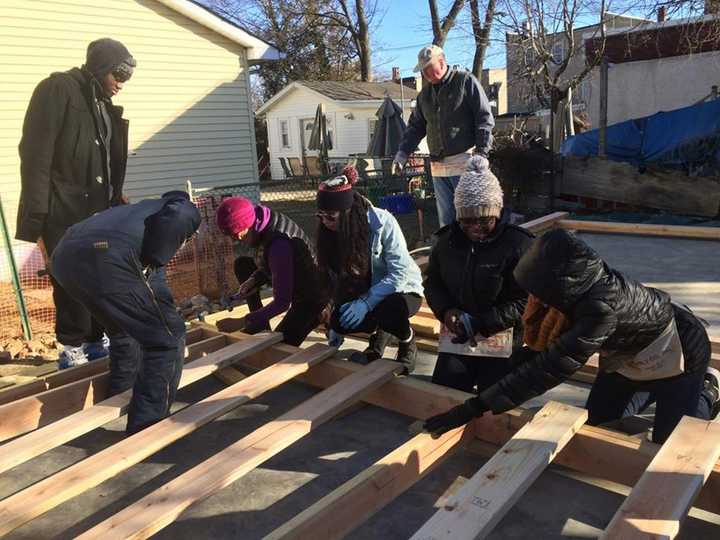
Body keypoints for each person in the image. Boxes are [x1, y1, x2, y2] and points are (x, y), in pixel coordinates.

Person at [423, 229, 720, 444]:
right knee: (600, 422)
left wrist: (471, 408)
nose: (534, 299)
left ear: (556, 285)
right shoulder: (579, 287)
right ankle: (656, 392)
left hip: (680, 349)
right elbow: (547, 351)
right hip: (627, 355)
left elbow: (550, 368)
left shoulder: (599, 310)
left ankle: (706, 390)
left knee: (670, 442)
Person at [16, 38, 137, 368]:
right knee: (69, 279)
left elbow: (102, 159)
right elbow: (35, 156)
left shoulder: (101, 104)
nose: (122, 84)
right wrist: (37, 220)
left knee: (99, 277)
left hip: (96, 210)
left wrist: (115, 193)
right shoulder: (57, 91)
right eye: (119, 76)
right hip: (61, 210)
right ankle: (71, 348)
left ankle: (96, 341)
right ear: (100, 68)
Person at [50, 191, 200, 435]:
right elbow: (158, 253)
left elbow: (153, 283)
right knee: (168, 339)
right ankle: (148, 425)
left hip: (64, 257)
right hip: (107, 255)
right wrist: (166, 318)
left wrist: (161, 307)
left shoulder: (139, 214)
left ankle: (120, 397)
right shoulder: (183, 207)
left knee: (123, 329)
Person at [424, 156, 533, 393]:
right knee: (444, 393)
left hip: (502, 340)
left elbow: (527, 299)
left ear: (496, 213)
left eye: (483, 220)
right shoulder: (446, 242)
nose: (475, 227)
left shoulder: (518, 244)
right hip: (458, 339)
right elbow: (433, 283)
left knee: (495, 401)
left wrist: (485, 322)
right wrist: (446, 311)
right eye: (467, 220)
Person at [316, 166, 424, 374]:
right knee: (341, 320)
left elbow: (399, 274)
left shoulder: (382, 223)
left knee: (389, 308)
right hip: (367, 290)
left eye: (330, 216)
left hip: (402, 289)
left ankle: (407, 340)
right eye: (320, 216)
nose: (324, 222)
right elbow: (336, 277)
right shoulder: (330, 232)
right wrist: (335, 324)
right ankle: (380, 337)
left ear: (347, 213)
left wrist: (366, 303)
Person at [392, 45, 494, 229]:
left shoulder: (465, 82)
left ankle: (474, 256)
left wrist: (482, 153)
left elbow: (484, 118)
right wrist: (402, 153)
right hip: (439, 167)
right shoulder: (424, 96)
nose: (427, 73)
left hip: (466, 164)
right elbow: (415, 127)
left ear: (442, 62)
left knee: (471, 219)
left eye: (430, 68)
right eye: (423, 70)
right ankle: (451, 256)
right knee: (446, 222)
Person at [215, 197, 329, 346]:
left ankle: (322, 316)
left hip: (311, 300)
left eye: (235, 235)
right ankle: (260, 325)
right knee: (242, 265)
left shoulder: (279, 245)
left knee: (276, 348)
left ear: (242, 228)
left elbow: (282, 303)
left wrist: (242, 322)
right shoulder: (261, 222)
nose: (235, 239)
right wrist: (253, 280)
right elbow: (270, 264)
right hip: (295, 279)